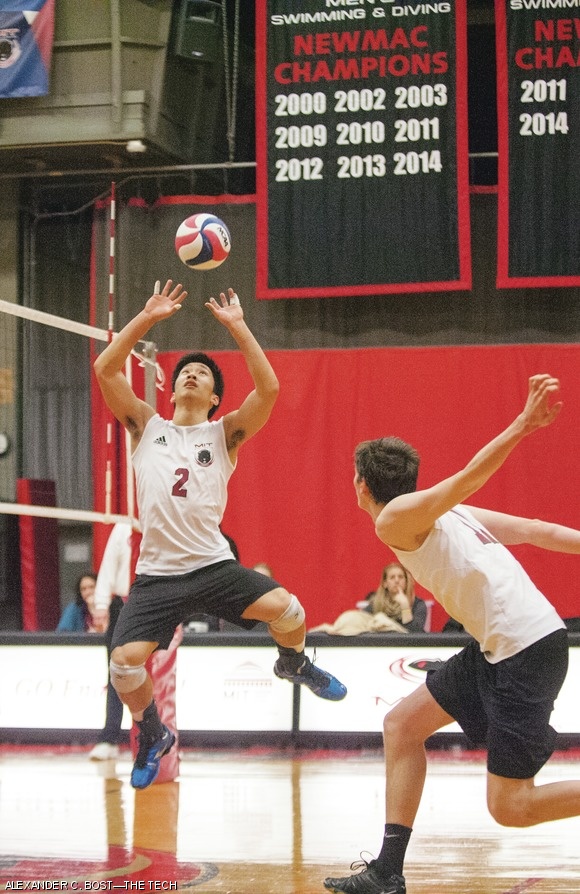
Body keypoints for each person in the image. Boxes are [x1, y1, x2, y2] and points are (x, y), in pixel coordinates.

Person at [325, 374, 580, 894]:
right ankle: (388, 871)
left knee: (511, 808)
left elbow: (466, 479)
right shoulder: (450, 515)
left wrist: (520, 426)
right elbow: (536, 529)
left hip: (525, 649)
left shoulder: (394, 518)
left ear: (361, 485)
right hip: (501, 648)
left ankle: (388, 870)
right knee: (401, 726)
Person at [93, 279, 346, 790]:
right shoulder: (146, 425)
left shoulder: (224, 433)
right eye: (185, 372)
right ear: (171, 387)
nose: (191, 376)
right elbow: (104, 369)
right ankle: (150, 732)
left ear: (214, 397)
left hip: (212, 566)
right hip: (158, 576)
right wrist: (145, 317)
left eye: (202, 374)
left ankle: (293, 662)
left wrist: (238, 326)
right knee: (123, 666)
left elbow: (270, 389)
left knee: (290, 611)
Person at [88, 521, 134, 761]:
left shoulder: (166, 520)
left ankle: (153, 736)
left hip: (152, 602)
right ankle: (109, 737)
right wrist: (102, 604)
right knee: (116, 673)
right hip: (122, 605)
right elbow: (108, 567)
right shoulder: (123, 528)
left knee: (156, 674)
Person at [362, 562, 428, 632]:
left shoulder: (418, 604)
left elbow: (415, 633)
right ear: (385, 583)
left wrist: (405, 606)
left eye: (400, 577)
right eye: (392, 577)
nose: (397, 580)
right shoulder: (376, 604)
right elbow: (362, 624)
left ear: (406, 582)